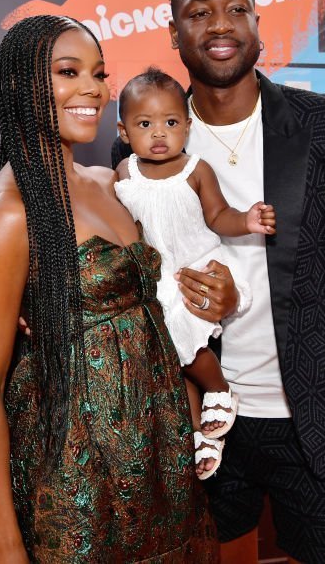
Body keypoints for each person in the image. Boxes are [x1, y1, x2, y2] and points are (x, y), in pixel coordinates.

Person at [113, 0, 325, 563]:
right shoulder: (146, 143)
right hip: (199, 419)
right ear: (174, 32)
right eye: (198, 12)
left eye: (236, 9)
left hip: (319, 422)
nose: (219, 24)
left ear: (256, 23)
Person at [0, 15, 217, 563]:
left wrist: (219, 287)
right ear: (19, 86)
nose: (92, 90)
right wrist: (5, 543)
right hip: (73, 475)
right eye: (67, 72)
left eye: (99, 74)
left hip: (158, 452)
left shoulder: (113, 181)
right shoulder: (9, 216)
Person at [113, 66, 277, 479]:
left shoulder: (195, 169)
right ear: (123, 131)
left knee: (183, 334)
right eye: (145, 124)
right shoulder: (123, 175)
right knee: (170, 360)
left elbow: (219, 216)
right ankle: (197, 434)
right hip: (155, 279)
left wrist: (249, 220)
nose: (159, 133)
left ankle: (220, 388)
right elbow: (119, 230)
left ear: (187, 125)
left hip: (195, 272)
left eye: (170, 123)